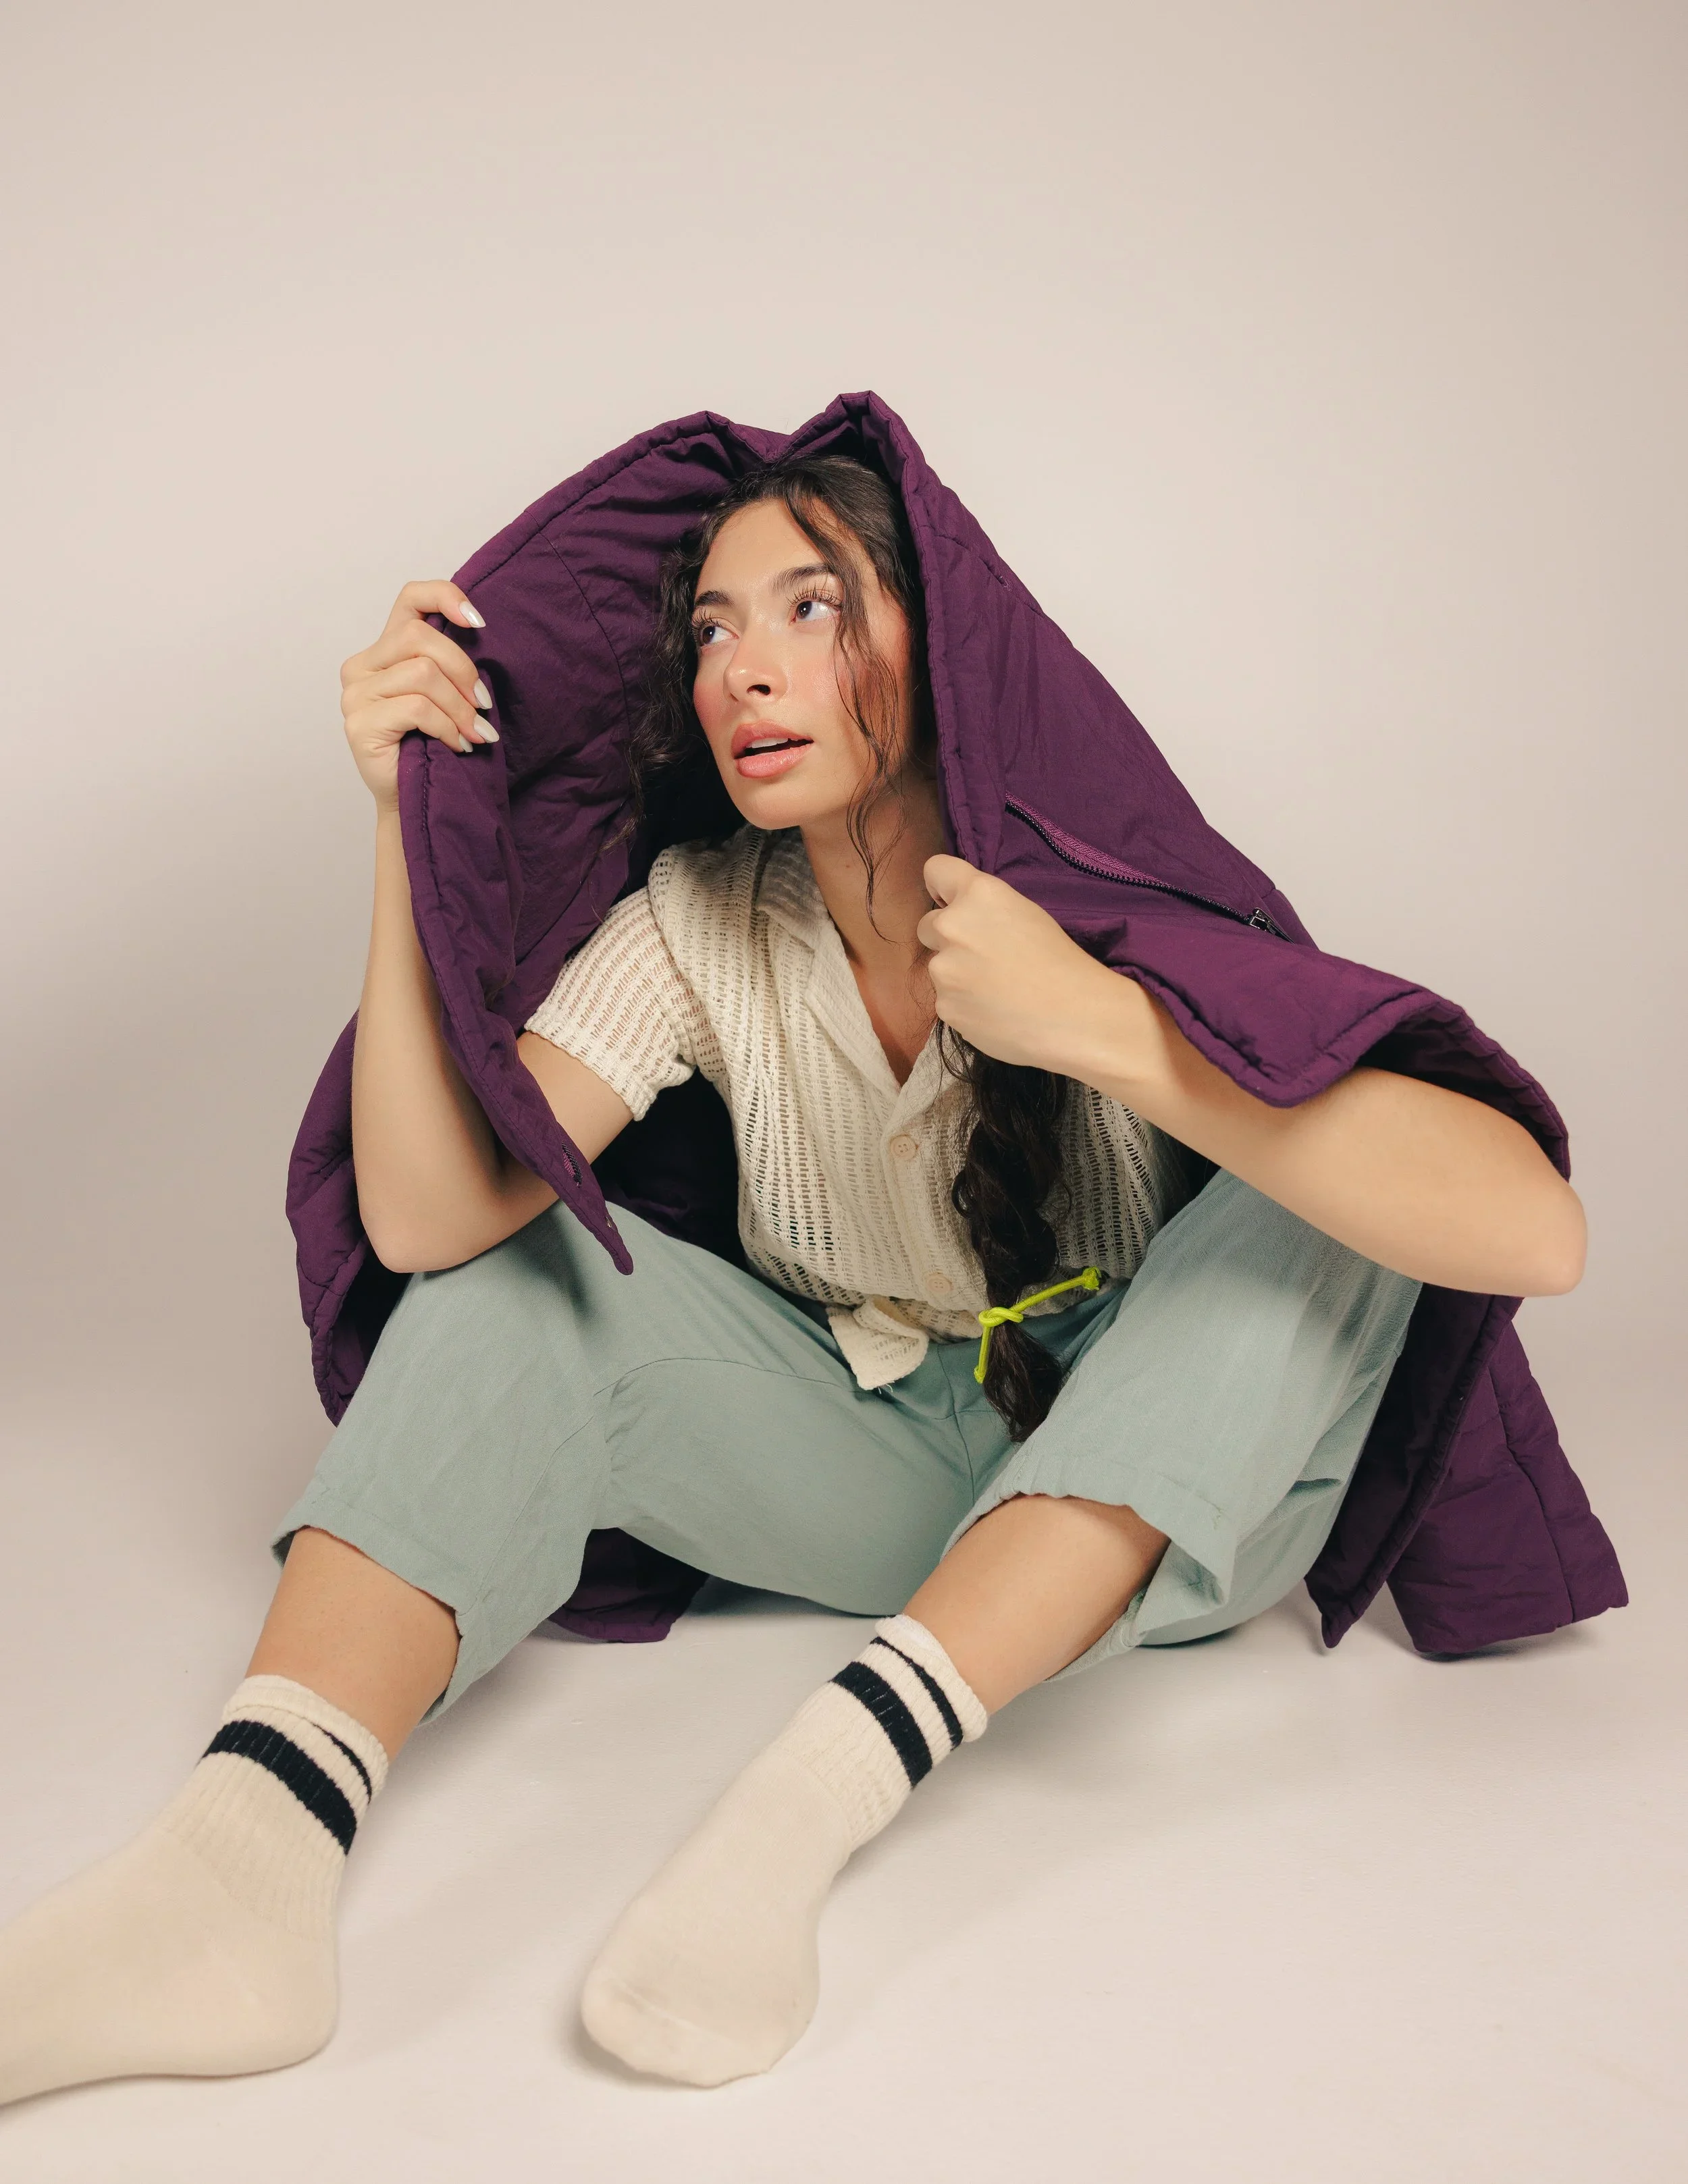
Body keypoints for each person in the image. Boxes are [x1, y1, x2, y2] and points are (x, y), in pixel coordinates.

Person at [0, 453, 1585, 2104]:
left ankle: (798, 1801)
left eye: (812, 608)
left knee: (1314, 1189)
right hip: (885, 1461)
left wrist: (1100, 1028)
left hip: (1171, 1492)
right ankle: (237, 1866)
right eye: (710, 628)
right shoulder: (701, 918)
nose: (742, 668)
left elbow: (1530, 1231)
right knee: (525, 1261)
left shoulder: (1083, 889)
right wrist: (413, 837)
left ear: (938, 642)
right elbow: (427, 1223)